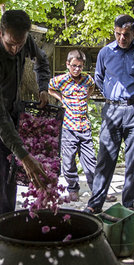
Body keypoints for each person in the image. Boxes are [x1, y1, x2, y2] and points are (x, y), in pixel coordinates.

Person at [0, 10, 51, 241]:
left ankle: (9, 236)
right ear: (0, 33)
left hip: (12, 119)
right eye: (11, 44)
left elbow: (42, 61)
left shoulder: (24, 41)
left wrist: (43, 86)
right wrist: (24, 156)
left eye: (20, 44)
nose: (16, 49)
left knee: (9, 184)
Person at [84, 14, 134, 213]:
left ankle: (128, 204)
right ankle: (95, 204)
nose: (122, 38)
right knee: (105, 158)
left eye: (126, 34)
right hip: (112, 109)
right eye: (118, 34)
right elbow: (98, 78)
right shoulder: (105, 52)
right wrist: (112, 95)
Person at [48, 49, 97, 202]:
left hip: (84, 127)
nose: (77, 69)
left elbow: (92, 87)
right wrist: (61, 98)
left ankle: (96, 190)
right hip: (69, 127)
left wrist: (86, 98)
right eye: (74, 65)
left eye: (80, 66)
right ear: (68, 64)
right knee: (68, 161)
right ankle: (73, 189)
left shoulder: (87, 80)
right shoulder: (61, 80)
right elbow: (50, 88)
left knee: (90, 161)